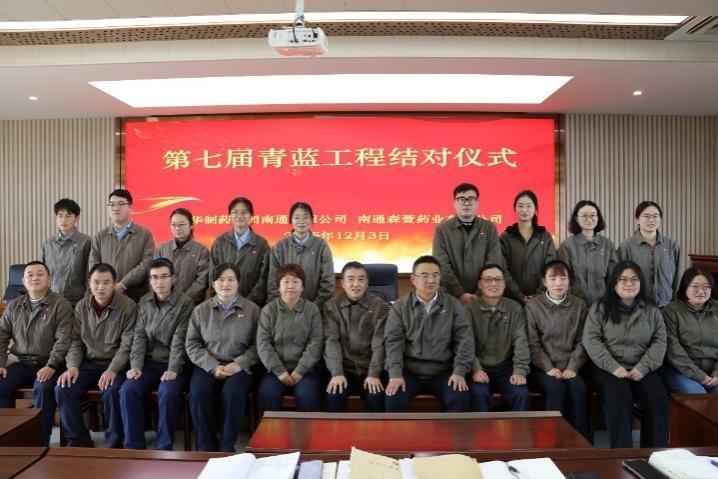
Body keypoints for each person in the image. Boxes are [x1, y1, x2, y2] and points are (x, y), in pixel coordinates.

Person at [583, 260, 668, 448]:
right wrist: (613, 367)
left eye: (634, 279)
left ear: (641, 283)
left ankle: (655, 453)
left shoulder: (651, 309)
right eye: (623, 279)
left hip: (642, 367)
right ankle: (623, 454)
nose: (629, 284)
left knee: (657, 397)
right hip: (607, 368)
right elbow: (591, 340)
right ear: (614, 283)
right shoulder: (600, 308)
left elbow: (660, 341)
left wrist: (643, 367)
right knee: (620, 396)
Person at [56, 263, 137, 448]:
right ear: (89, 284)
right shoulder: (81, 307)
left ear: (114, 283)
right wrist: (72, 367)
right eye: (96, 282)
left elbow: (127, 345)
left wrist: (113, 370)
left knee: (112, 391)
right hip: (88, 364)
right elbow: (75, 341)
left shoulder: (128, 306)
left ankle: (114, 443)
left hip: (116, 365)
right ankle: (79, 440)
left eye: (106, 282)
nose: (101, 287)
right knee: (63, 388)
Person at [119, 258, 194, 450]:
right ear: (150, 280)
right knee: (128, 390)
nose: (159, 282)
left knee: (167, 392)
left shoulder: (185, 303)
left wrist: (173, 369)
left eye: (164, 277)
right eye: (154, 277)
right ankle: (133, 446)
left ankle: (164, 446)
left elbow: (180, 340)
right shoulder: (144, 302)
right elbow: (139, 337)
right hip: (149, 363)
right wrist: (136, 366)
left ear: (173, 278)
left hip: (176, 364)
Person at [185, 263, 260, 452]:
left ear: (238, 283)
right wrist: (213, 366)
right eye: (221, 280)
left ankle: (227, 447)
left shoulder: (252, 310)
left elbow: (259, 345)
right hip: (208, 365)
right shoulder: (201, 310)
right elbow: (192, 345)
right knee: (198, 393)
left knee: (233, 393)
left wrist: (239, 363)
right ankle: (206, 447)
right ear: (213, 284)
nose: (225, 284)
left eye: (230, 279)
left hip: (239, 366)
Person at [384, 256, 474, 412]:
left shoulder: (453, 305)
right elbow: (393, 343)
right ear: (413, 279)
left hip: (443, 371)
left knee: (459, 397)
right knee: (393, 398)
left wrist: (459, 372)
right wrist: (395, 374)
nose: (431, 280)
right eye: (425, 275)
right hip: (409, 371)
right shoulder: (400, 307)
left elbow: (465, 341)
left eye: (435, 275)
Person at [0, 261, 73, 446]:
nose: (35, 278)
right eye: (30, 275)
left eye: (40, 274)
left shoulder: (61, 304)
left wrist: (52, 365)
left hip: (50, 363)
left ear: (49, 279)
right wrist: (1, 363)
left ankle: (40, 442)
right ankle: (8, 439)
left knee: (43, 388)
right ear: (23, 281)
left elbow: (64, 339)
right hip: (22, 362)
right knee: (1, 385)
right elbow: (1, 335)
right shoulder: (14, 306)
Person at [525, 260, 589, 439]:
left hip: (571, 366)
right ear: (544, 281)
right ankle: (551, 441)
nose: (558, 283)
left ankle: (581, 442)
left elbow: (583, 340)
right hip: (542, 368)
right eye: (553, 279)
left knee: (578, 389)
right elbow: (532, 343)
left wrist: (573, 367)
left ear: (570, 281)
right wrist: (548, 368)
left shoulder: (579, 305)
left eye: (563, 278)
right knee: (556, 390)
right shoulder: (533, 306)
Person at [323, 261, 389, 412]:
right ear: (342, 283)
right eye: (351, 279)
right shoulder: (331, 306)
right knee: (334, 394)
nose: (356, 284)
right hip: (343, 367)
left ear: (367, 283)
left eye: (361, 279)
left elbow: (379, 342)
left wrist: (374, 374)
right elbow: (331, 341)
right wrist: (337, 373)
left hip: (369, 367)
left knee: (376, 396)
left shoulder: (380, 306)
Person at [257, 264, 323, 413]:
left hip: (306, 370)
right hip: (275, 370)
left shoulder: (312, 310)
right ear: (279, 287)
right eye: (286, 281)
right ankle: (271, 430)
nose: (290, 286)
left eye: (295, 281)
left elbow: (316, 343)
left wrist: (300, 371)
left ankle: (306, 430)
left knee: (307, 396)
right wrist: (280, 372)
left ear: (302, 287)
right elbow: (263, 344)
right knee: (266, 395)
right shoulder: (268, 310)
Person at [465, 264, 531, 412]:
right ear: (480, 284)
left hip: (506, 368)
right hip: (478, 367)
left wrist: (519, 371)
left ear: (504, 283)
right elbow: (465, 344)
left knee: (521, 394)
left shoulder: (514, 308)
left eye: (498, 279)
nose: (493, 283)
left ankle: (518, 429)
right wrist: (475, 369)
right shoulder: (469, 309)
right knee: (478, 394)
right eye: (488, 279)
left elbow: (521, 342)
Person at [433, 183, 504, 305]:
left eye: (471, 199)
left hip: (484, 296)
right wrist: (459, 293)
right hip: (450, 296)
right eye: (461, 199)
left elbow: (494, 262)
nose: (466, 203)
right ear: (454, 203)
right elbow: (441, 265)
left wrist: (479, 293)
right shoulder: (442, 229)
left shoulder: (489, 228)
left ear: (477, 203)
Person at [89, 189, 155, 302]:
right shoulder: (100, 236)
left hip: (135, 296)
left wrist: (123, 284)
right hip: (105, 297)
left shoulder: (144, 234)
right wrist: (106, 285)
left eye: (121, 204)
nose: (116, 208)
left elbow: (147, 263)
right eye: (112, 204)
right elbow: (94, 265)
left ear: (130, 207)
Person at [660, 267, 717, 393]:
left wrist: (716, 374)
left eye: (706, 287)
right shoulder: (671, 311)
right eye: (695, 286)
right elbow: (673, 350)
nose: (701, 291)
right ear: (685, 287)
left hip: (713, 373)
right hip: (680, 371)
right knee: (698, 395)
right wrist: (699, 376)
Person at [267, 202, 334, 309]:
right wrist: (283, 307)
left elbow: (328, 282)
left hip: (315, 309)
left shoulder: (321, 245)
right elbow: (272, 282)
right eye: (297, 217)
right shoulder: (280, 246)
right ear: (291, 221)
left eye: (305, 217)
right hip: (284, 309)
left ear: (312, 220)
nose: (301, 221)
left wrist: (313, 308)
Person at [618, 201, 681, 308]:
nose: (651, 220)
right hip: (636, 306)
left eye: (655, 216)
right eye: (646, 216)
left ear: (660, 219)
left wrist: (676, 303)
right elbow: (619, 279)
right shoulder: (626, 246)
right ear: (637, 219)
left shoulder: (671, 245)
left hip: (666, 306)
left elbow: (677, 278)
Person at [210, 197, 270, 306]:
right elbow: (212, 274)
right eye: (235, 212)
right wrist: (222, 299)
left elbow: (263, 279)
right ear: (229, 216)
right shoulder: (220, 242)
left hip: (252, 305)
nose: (239, 216)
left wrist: (247, 304)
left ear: (251, 216)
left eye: (244, 212)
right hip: (222, 303)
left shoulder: (261, 245)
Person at [500, 190, 557, 303]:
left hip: (541, 299)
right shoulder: (506, 237)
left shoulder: (545, 236)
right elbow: (503, 269)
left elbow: (551, 266)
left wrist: (539, 293)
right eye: (520, 206)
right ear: (514, 209)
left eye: (529, 206)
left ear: (535, 209)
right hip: (511, 299)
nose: (524, 210)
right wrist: (518, 295)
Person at [558, 200, 618, 306]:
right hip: (574, 305)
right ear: (576, 218)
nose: (589, 219)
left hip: (602, 305)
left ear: (598, 217)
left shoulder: (607, 244)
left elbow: (614, 277)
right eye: (584, 215)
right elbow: (563, 278)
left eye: (593, 215)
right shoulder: (567, 245)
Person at [41, 198, 92, 307]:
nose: (63, 220)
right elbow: (43, 273)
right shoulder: (48, 243)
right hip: (51, 301)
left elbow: (89, 275)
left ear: (77, 218)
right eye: (60, 216)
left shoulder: (86, 242)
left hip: (77, 302)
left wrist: (86, 302)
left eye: (68, 216)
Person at [155, 208, 210, 304]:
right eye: (173, 225)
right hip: (164, 303)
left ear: (191, 225)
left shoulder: (201, 250)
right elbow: (154, 276)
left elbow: (202, 281)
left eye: (181, 224)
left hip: (192, 305)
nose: (177, 228)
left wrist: (183, 301)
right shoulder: (162, 249)